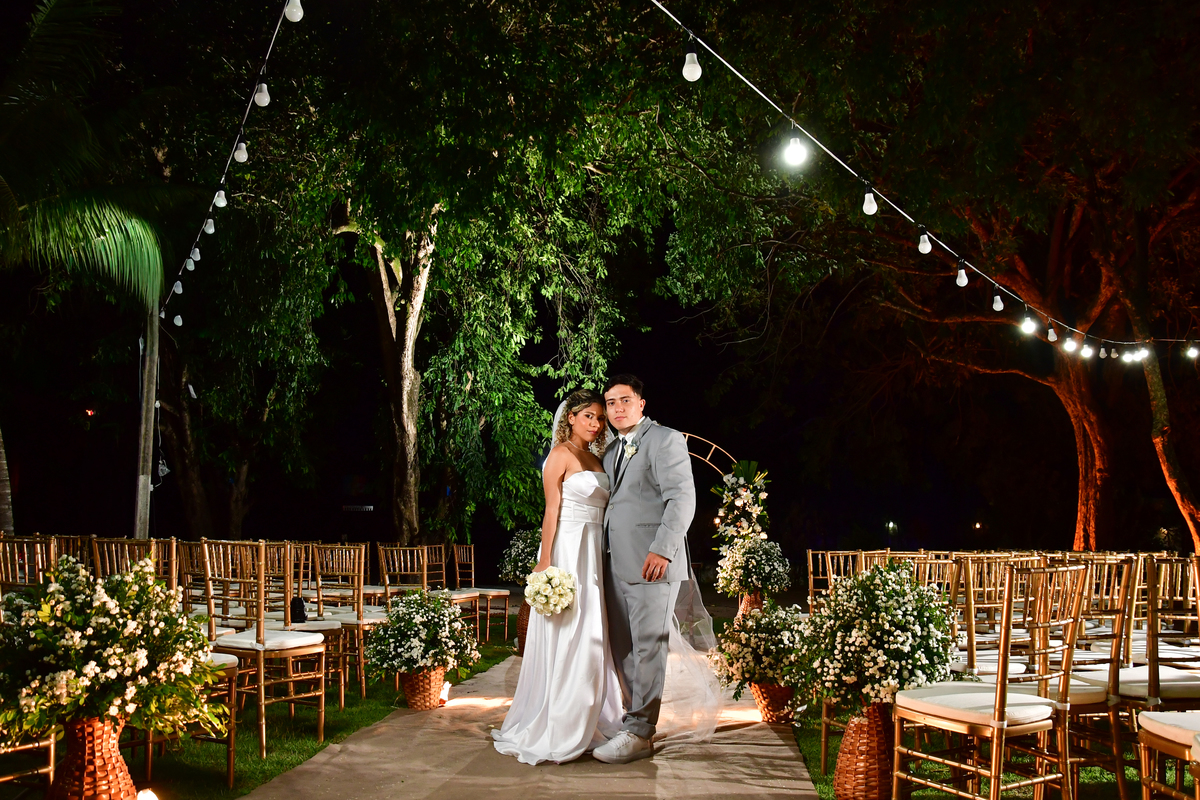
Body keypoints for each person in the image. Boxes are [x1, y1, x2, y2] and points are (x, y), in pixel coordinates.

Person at [491, 389, 623, 765]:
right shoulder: (559, 455)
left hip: (595, 550)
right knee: (572, 627)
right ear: (571, 417)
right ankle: (562, 721)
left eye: (600, 418)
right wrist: (546, 561)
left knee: (595, 629)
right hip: (569, 547)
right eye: (588, 416)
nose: (596, 424)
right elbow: (551, 511)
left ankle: (592, 713)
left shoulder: (597, 458)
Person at [591, 374, 701, 764]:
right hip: (614, 563)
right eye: (611, 402)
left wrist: (663, 550)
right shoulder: (610, 450)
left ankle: (641, 732)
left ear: (641, 403)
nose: (617, 408)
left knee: (649, 647)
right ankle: (631, 721)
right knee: (622, 648)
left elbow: (682, 498)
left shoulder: (665, 440)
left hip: (651, 564)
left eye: (625, 400)